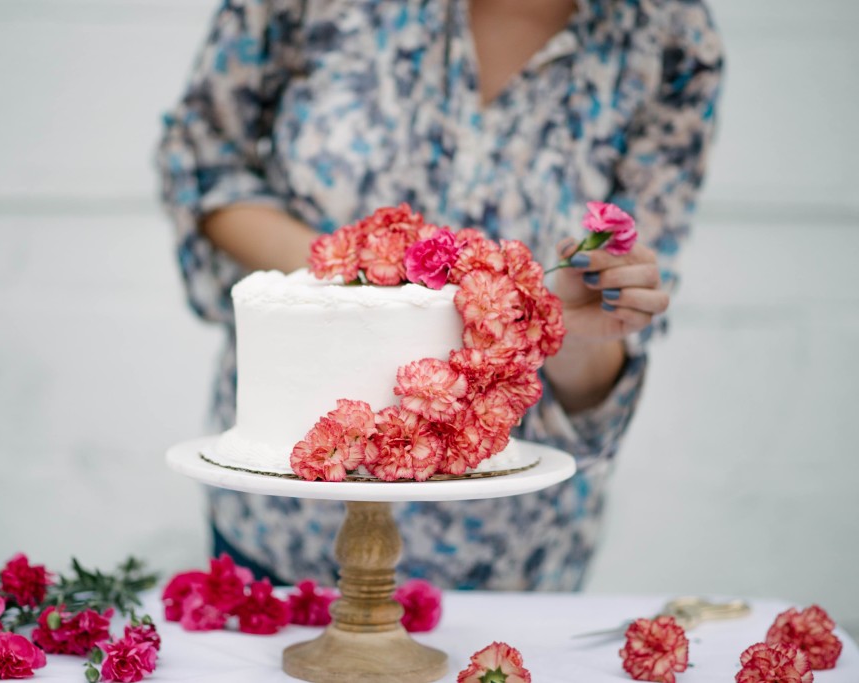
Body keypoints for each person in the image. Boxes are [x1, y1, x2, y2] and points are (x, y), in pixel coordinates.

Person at [157, 0, 723, 590]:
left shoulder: (671, 37)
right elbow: (204, 161)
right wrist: (376, 282)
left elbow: (603, 344)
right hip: (286, 523)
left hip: (508, 554)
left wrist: (568, 325)